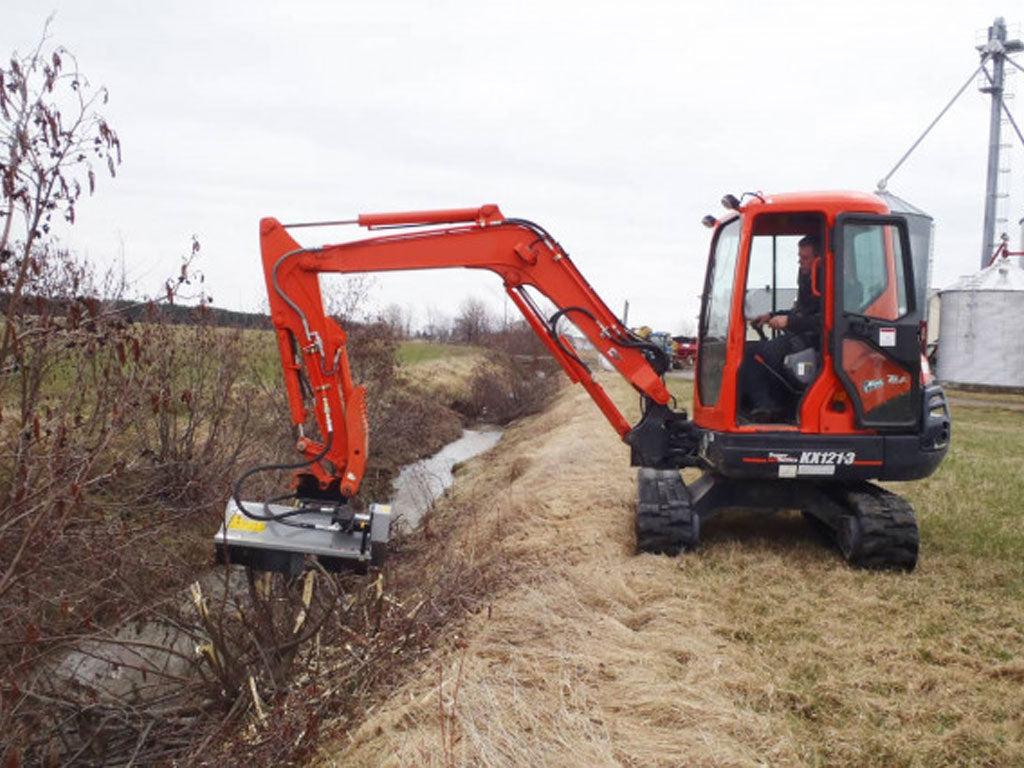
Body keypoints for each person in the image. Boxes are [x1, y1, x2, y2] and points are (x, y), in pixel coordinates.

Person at [740, 234, 822, 422]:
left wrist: (789, 322)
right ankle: (768, 405)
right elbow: (801, 310)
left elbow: (825, 319)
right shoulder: (808, 280)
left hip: (817, 340)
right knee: (752, 349)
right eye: (799, 256)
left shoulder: (831, 283)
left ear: (819, 260)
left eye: (805, 258)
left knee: (752, 354)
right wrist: (771, 315)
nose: (800, 261)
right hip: (803, 335)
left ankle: (766, 406)